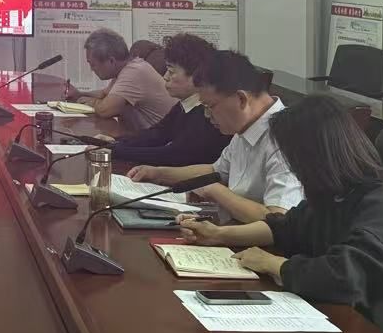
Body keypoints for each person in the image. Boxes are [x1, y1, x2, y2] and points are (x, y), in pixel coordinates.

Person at [174, 96, 383, 333]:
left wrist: (273, 263)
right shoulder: (339, 191)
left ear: (316, 157)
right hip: (364, 328)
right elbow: (290, 226)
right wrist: (220, 235)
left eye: (294, 158)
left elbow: (347, 276)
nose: (294, 168)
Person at [126, 49, 304, 223]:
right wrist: (157, 173)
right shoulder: (248, 125)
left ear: (241, 99)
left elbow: (280, 220)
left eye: (209, 106)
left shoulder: (286, 139)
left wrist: (216, 191)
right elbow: (215, 170)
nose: (207, 115)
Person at [110, 34, 225, 167]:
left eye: (171, 71)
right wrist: (114, 142)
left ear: (196, 75)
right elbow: (157, 134)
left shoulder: (206, 113)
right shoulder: (185, 104)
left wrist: (117, 151)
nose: (165, 77)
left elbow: (173, 155)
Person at [62, 28, 174, 135]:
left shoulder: (134, 72)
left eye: (93, 64)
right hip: (145, 137)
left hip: (162, 143)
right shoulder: (128, 68)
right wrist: (79, 94)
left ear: (111, 61)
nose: (92, 69)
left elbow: (105, 110)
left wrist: (89, 102)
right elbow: (104, 93)